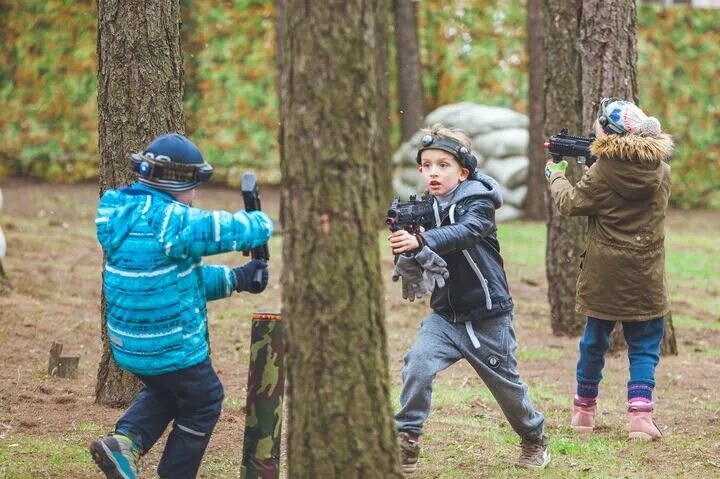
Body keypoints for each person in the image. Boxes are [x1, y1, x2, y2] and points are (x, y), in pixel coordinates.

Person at [89, 133, 274, 479]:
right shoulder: (170, 220)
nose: (193, 196)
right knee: (205, 400)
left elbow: (177, 283)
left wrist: (238, 278)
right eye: (192, 186)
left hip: (131, 344)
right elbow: (216, 229)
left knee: (167, 390)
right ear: (175, 181)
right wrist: (260, 225)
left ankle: (123, 443)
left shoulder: (125, 214)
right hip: (169, 343)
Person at [389, 124, 549, 473]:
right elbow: (417, 253)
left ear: (463, 171)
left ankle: (534, 438)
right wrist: (407, 251)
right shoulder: (423, 209)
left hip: (488, 315)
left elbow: (467, 231)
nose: (433, 172)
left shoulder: (478, 201)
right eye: (427, 164)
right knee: (417, 364)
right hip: (445, 317)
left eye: (443, 165)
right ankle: (406, 440)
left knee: (506, 388)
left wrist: (423, 241)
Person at [545, 98, 673, 440]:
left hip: (604, 273)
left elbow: (571, 203)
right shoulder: (662, 172)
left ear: (608, 134)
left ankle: (583, 412)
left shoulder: (601, 172)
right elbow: (628, 194)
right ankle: (640, 419)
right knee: (644, 345)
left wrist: (555, 175)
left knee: (594, 342)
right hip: (646, 273)